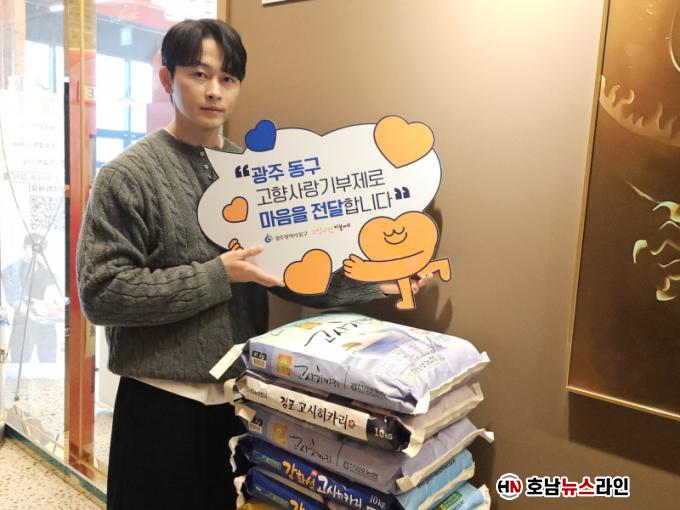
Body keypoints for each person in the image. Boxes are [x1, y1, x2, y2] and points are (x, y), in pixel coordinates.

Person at [76, 18, 433, 510]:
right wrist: (217, 274)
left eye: (228, 78)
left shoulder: (256, 174)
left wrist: (378, 284)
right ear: (167, 79)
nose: (214, 91)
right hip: (159, 405)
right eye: (199, 74)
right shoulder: (127, 176)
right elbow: (102, 294)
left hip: (242, 398)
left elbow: (292, 272)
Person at [2, 233, 59, 364]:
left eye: (41, 248)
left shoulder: (47, 271)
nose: (36, 251)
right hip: (22, 324)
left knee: (49, 363)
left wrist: (52, 310)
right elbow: (14, 299)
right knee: (18, 362)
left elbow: (53, 294)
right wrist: (34, 317)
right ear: (24, 246)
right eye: (33, 247)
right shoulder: (11, 270)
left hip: (46, 325)